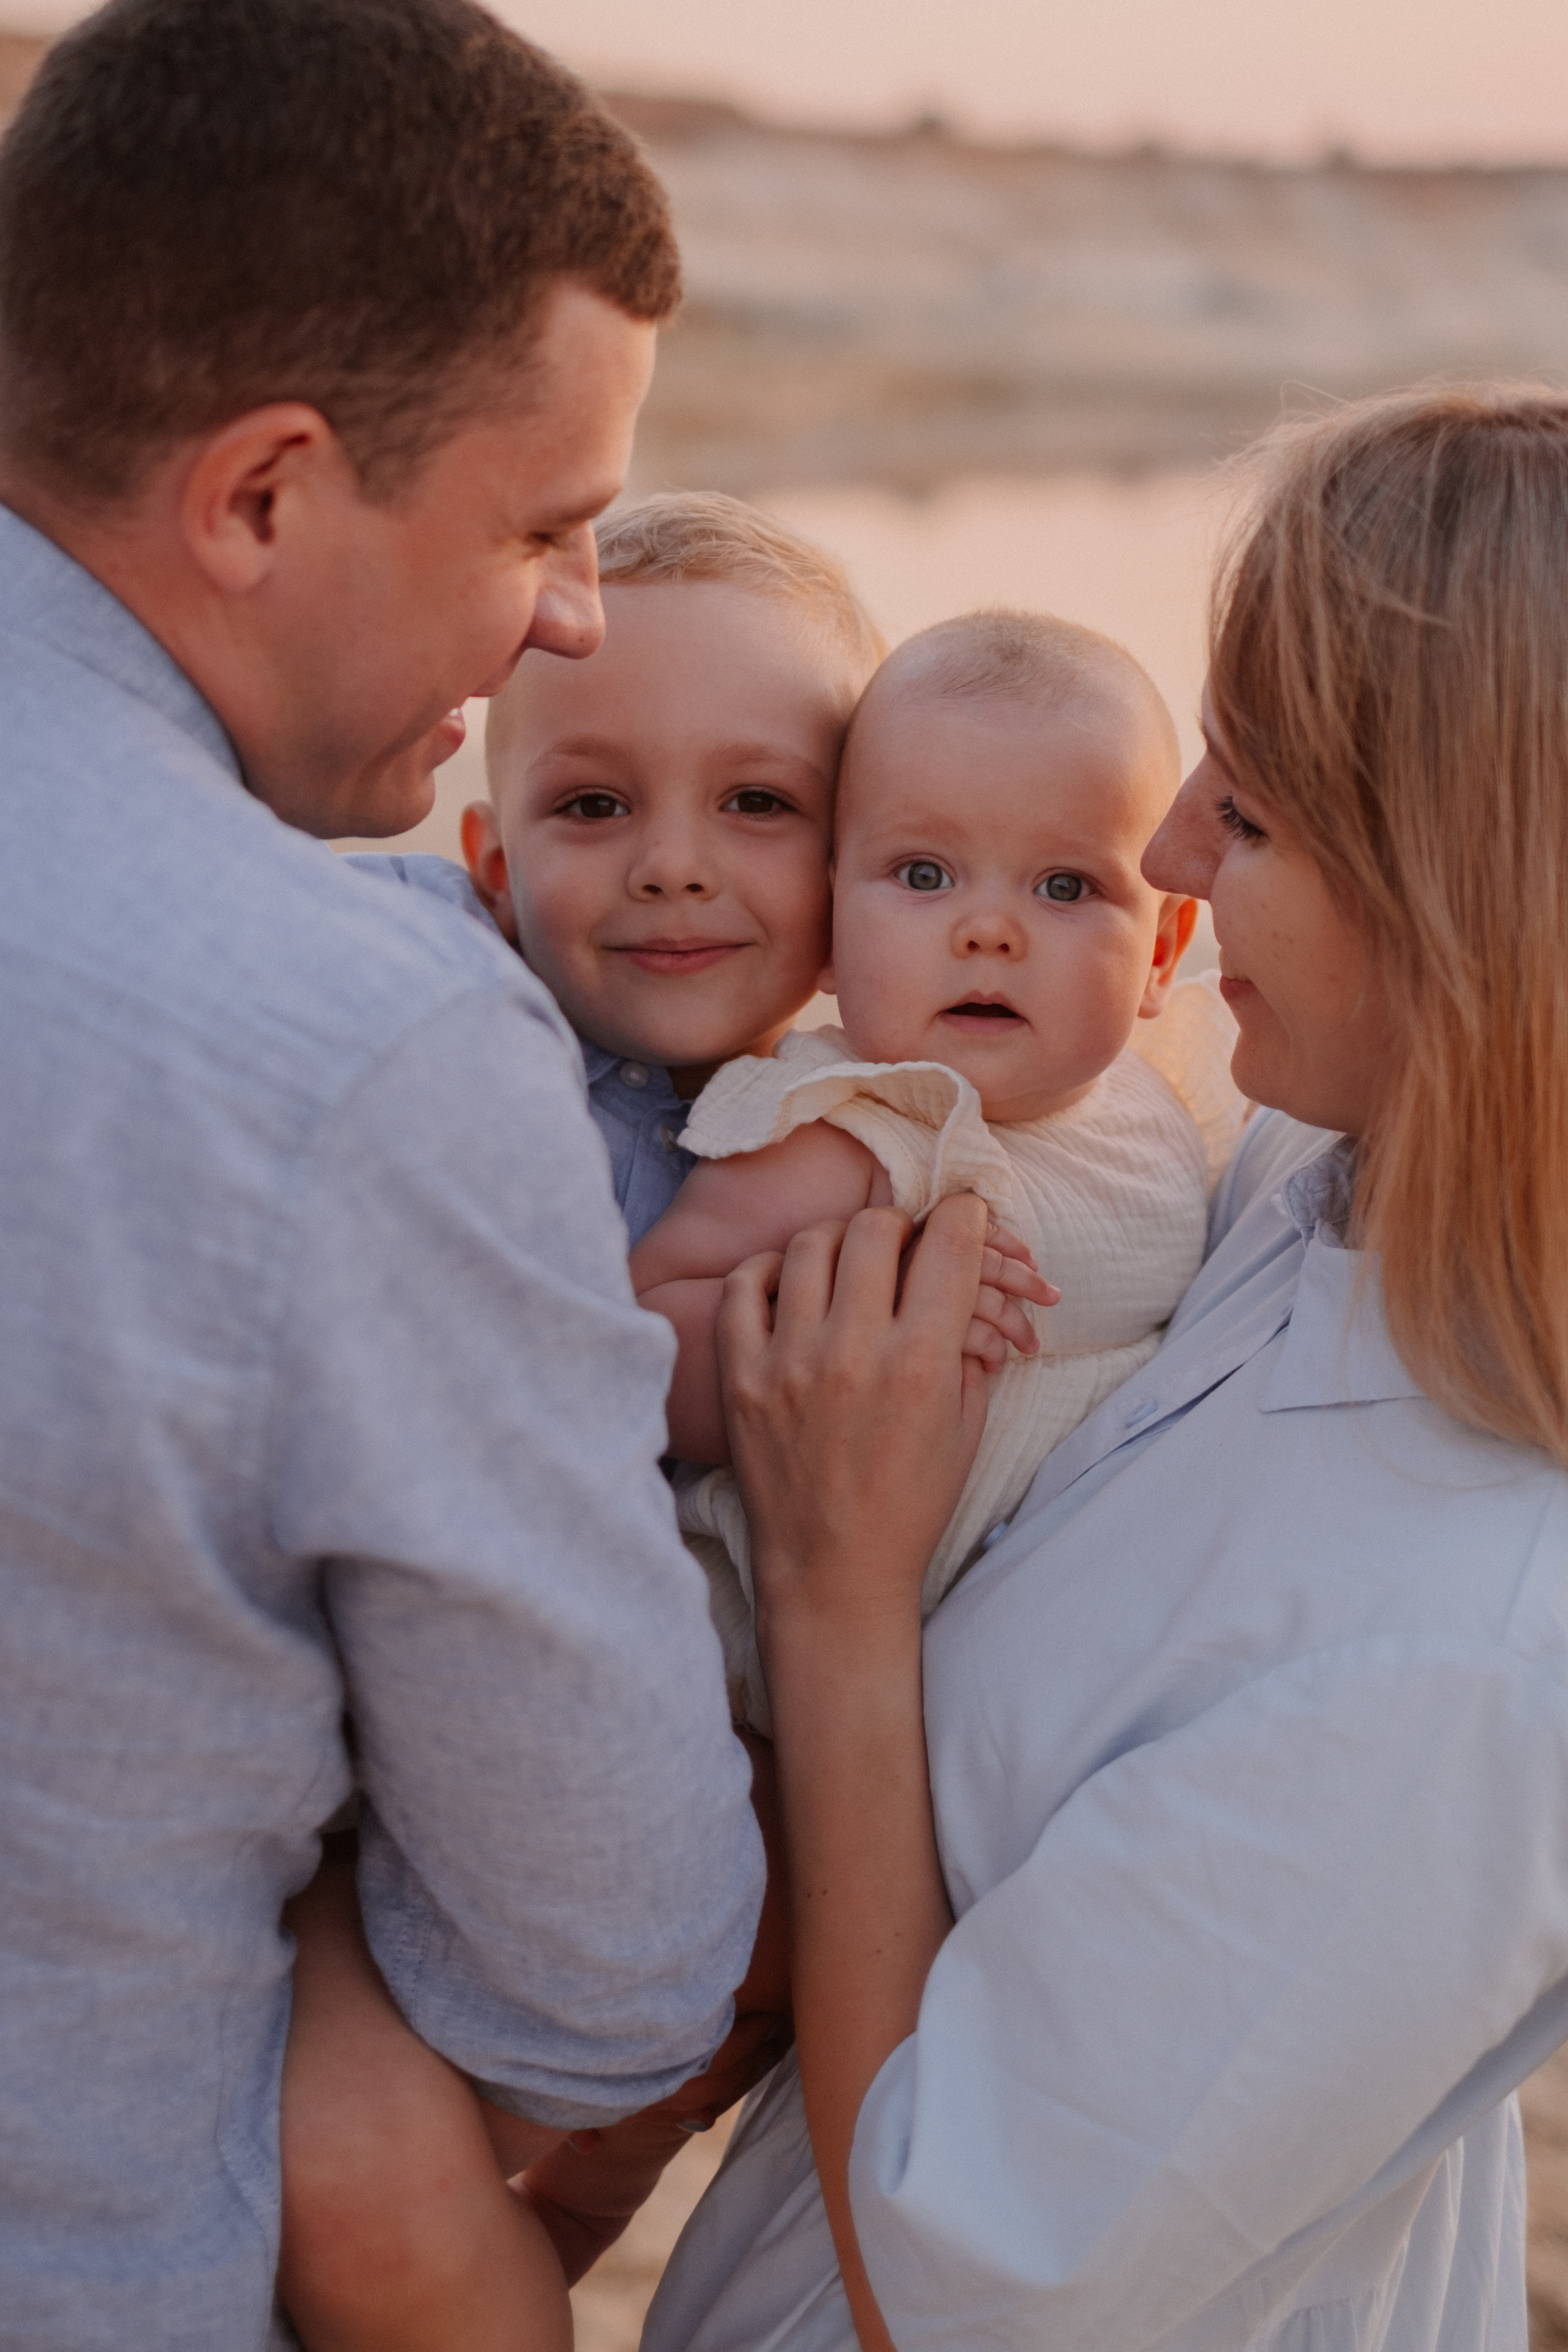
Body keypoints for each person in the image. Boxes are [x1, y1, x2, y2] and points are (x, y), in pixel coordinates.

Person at [646, 386, 1568, 2352]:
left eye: (1245, 804)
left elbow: (958, 2286)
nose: (1158, 847)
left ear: (1453, 878)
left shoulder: (1455, 1661)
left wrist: (833, 1588)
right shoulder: (1298, 1206)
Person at [0, 3, 769, 2346]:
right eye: (541, 528)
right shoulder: (362, 1043)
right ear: (259, 495)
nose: (569, 612)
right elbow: (603, 1980)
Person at [631, 610, 1238, 1730]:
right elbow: (626, 1337)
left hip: (1024, 1643)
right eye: (923, 874)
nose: (988, 931)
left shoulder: (1169, 1096)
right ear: (826, 925)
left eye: (1064, 889)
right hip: (757, 1666)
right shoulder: (856, 1131)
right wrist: (843, 1314)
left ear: (1160, 950)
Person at [354, 489, 886, 1239]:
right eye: (595, 806)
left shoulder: (891, 1147)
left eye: (757, 802)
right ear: (498, 872)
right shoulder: (430, 980)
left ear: (861, 879)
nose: (671, 867)